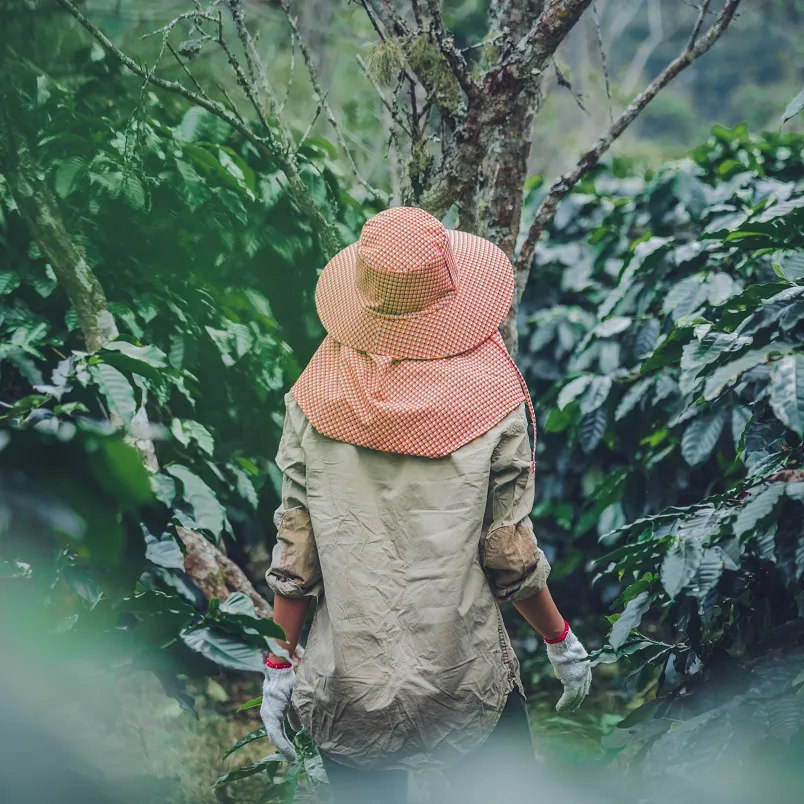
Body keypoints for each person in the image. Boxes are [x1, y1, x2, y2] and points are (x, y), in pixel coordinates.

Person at [259, 207, 592, 803]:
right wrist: (559, 639)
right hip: (462, 667)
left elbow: (297, 547)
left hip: (350, 674)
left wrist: (279, 667)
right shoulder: (493, 393)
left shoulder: (315, 390)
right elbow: (508, 553)